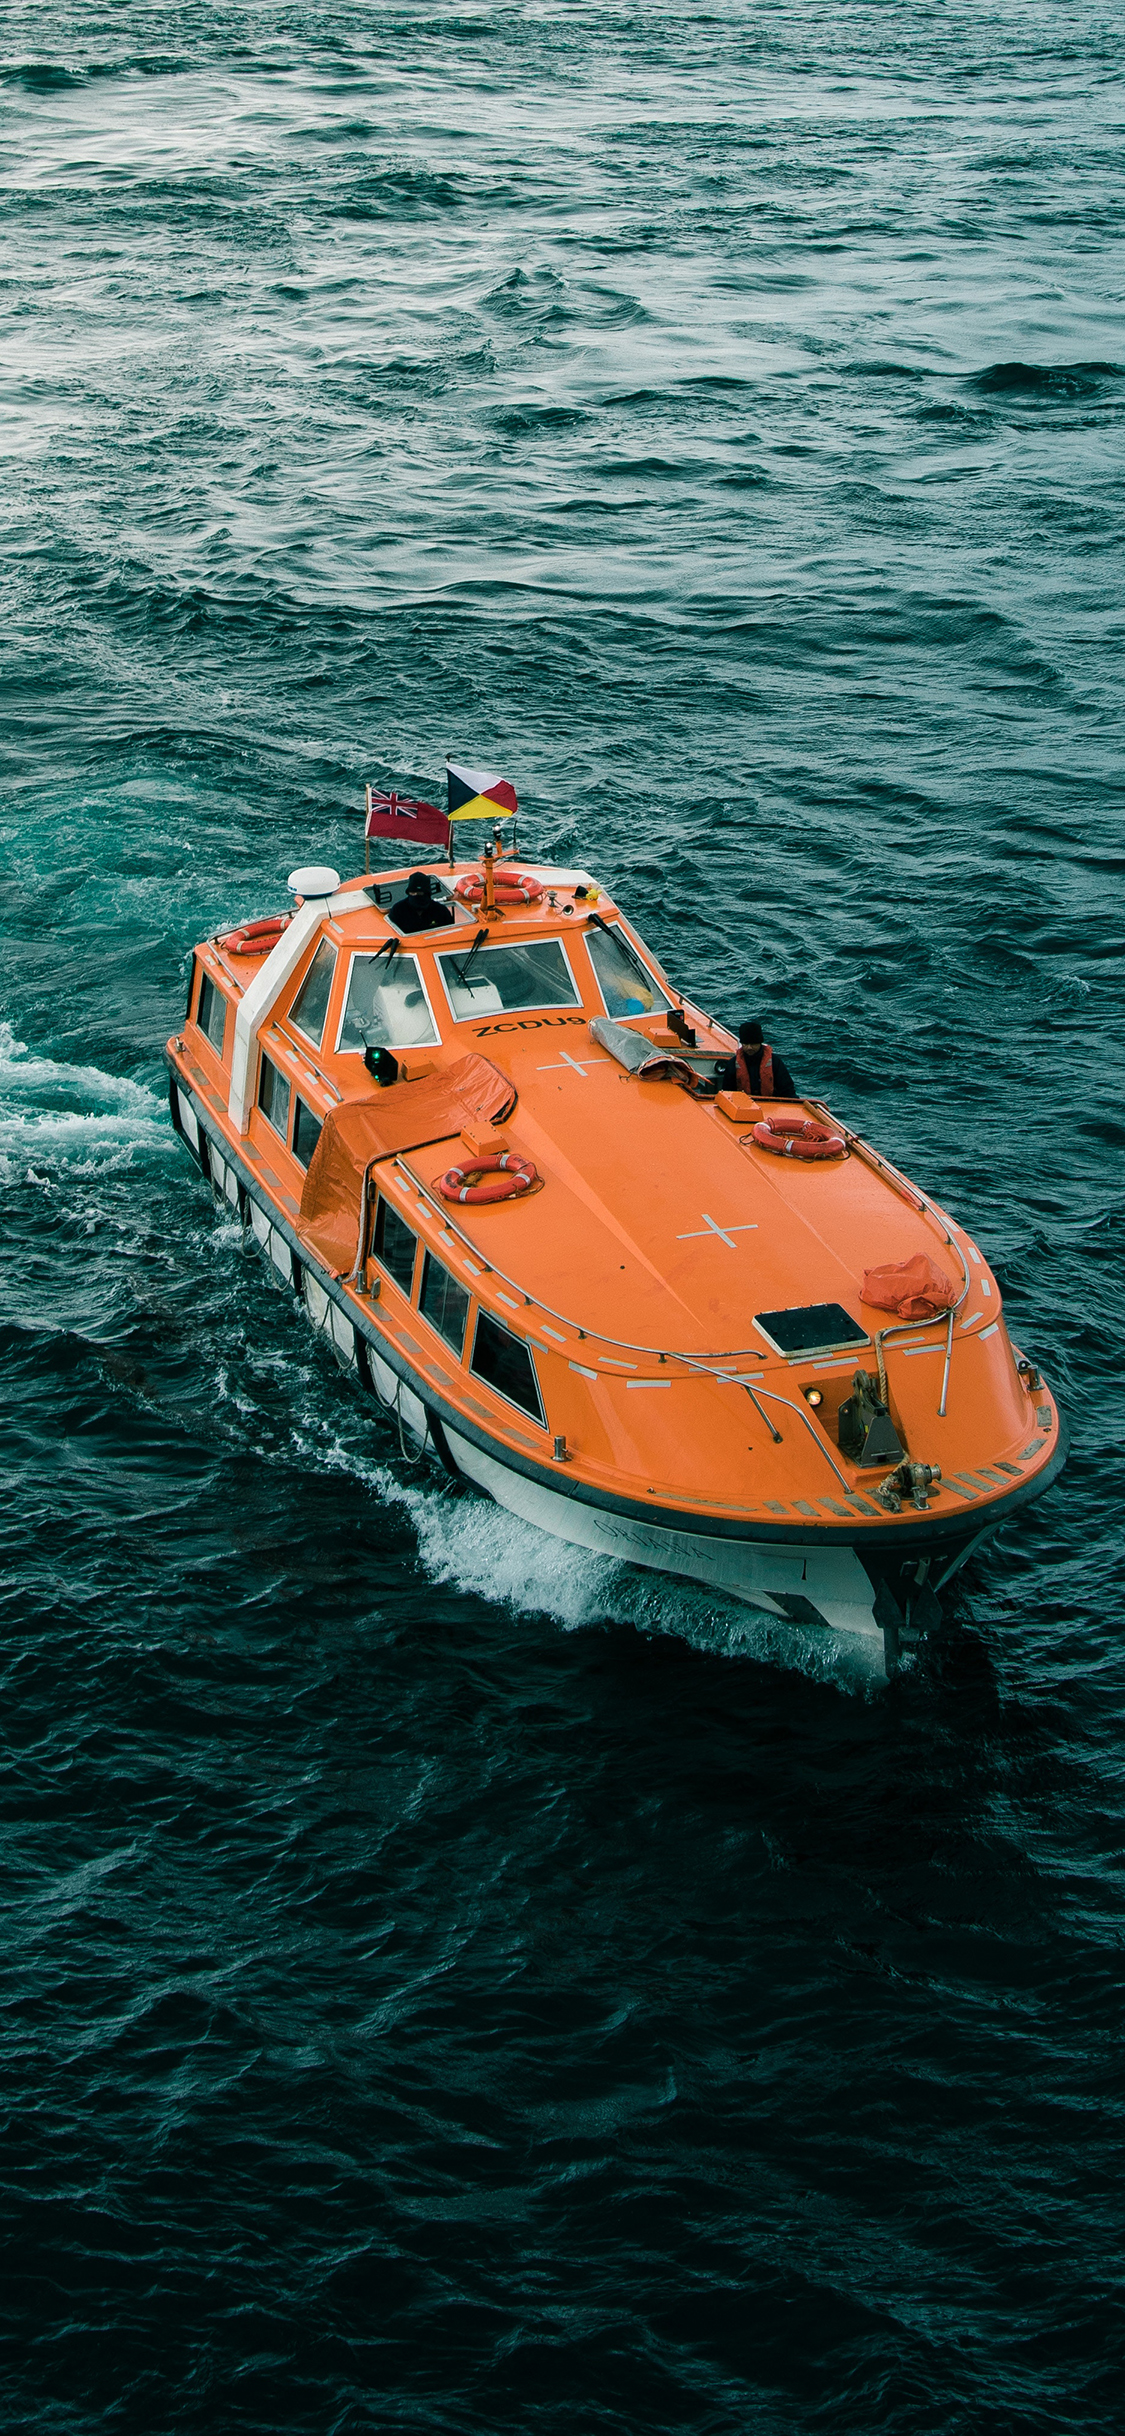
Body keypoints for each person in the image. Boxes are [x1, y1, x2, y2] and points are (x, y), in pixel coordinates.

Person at [717, 1020, 796, 1099]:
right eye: (746, 1044)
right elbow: (727, 1093)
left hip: (771, 1106)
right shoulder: (732, 1064)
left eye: (753, 1044)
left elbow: (788, 1090)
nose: (749, 1047)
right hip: (742, 1106)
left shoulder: (775, 1062)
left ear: (760, 1043)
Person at [389, 871, 454, 933]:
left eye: (419, 893)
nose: (415, 896)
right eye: (412, 893)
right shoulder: (398, 910)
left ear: (427, 894)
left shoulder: (441, 911)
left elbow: (450, 931)